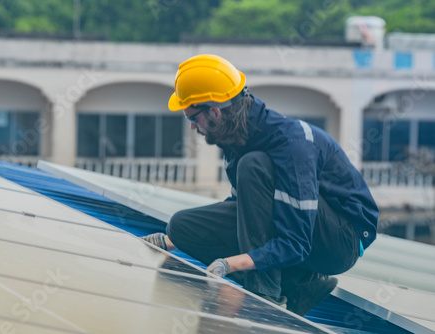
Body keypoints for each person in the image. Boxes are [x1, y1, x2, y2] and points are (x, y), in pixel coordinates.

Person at [142, 54, 379, 316]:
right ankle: (301, 286)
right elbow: (246, 211)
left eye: (192, 119)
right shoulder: (234, 139)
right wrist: (174, 240)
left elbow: (296, 242)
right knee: (180, 226)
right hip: (298, 230)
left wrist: (231, 264)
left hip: (339, 242)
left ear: (215, 111)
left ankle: (265, 297)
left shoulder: (292, 145)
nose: (194, 128)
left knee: (253, 165)